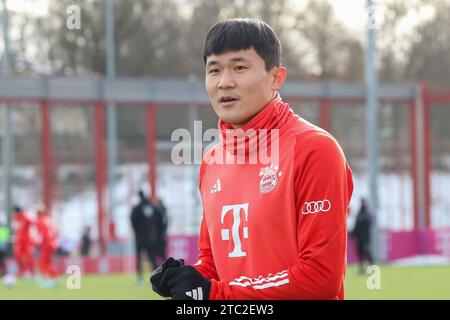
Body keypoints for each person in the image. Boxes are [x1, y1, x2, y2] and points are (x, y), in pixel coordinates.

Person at [151, 18, 354, 300]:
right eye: (214, 70)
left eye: (239, 67)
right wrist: (190, 279)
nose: (224, 82)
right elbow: (214, 264)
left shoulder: (315, 150)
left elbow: (320, 278)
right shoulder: (212, 160)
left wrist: (215, 295)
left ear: (276, 78)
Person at [131, 190, 160, 285]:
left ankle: (139, 278)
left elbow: (132, 219)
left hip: (140, 238)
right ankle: (158, 277)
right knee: (152, 257)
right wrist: (155, 232)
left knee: (139, 258)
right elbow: (159, 218)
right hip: (151, 237)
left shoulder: (137, 207)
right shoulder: (152, 206)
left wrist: (137, 232)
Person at [35, 204, 59, 287]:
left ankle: (48, 280)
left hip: (46, 244)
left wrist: (38, 244)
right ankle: (56, 279)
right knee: (48, 263)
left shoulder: (39, 221)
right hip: (53, 244)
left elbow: (43, 235)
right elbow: (56, 232)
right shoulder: (48, 219)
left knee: (42, 263)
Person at [352, 198, 374, 274]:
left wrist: (365, 219)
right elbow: (356, 224)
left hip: (365, 238)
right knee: (360, 253)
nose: (361, 203)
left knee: (367, 252)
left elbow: (371, 222)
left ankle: (372, 267)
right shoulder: (359, 212)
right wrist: (354, 234)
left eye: (362, 202)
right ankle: (361, 269)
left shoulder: (367, 212)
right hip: (359, 237)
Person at [12, 206, 35, 278]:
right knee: (17, 256)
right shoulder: (16, 218)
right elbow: (16, 229)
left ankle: (32, 272)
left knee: (29, 256)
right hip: (19, 241)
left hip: (27, 240)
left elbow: (32, 222)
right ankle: (22, 271)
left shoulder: (25, 216)